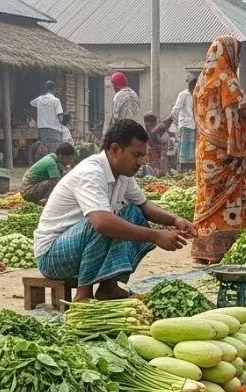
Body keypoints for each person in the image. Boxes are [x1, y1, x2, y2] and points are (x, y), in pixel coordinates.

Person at [34, 119, 195, 301]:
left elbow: (144, 206)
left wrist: (175, 220)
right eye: (136, 155)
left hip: (78, 248)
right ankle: (83, 294)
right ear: (115, 149)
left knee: (132, 212)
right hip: (52, 256)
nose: (141, 162)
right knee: (102, 221)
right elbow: (101, 223)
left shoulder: (123, 174)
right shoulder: (91, 171)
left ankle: (108, 287)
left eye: (143, 156)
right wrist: (155, 236)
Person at [191, 36, 246, 263]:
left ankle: (203, 250)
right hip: (228, 154)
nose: (238, 59)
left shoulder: (201, 83)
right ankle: (223, 251)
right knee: (230, 200)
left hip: (205, 151)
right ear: (229, 54)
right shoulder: (228, 80)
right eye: (237, 53)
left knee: (207, 197)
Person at [171, 76, 197, 172]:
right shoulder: (183, 95)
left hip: (196, 126)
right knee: (185, 151)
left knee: (194, 150)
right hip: (186, 125)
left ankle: (192, 170)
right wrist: (177, 124)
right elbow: (175, 110)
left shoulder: (198, 94)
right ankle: (185, 169)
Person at [105, 72, 141, 138]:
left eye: (113, 84)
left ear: (115, 84)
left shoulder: (117, 96)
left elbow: (115, 118)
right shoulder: (134, 94)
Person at [31, 80, 64, 150]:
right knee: (54, 152)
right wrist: (61, 123)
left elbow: (32, 103)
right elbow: (60, 115)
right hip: (54, 130)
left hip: (42, 131)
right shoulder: (56, 100)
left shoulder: (39, 99)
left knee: (44, 151)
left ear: (45, 89)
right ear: (54, 89)